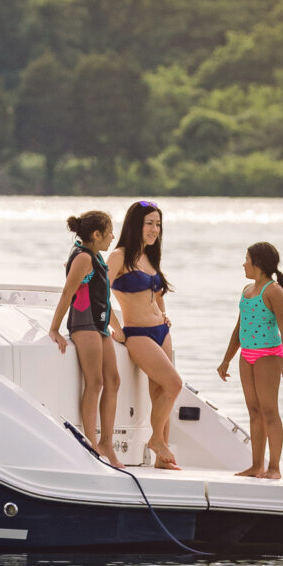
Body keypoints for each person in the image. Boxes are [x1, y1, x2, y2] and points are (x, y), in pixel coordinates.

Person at [110, 200, 183, 470]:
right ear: (135, 225)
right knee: (174, 384)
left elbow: (157, 293)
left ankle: (161, 459)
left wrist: (163, 314)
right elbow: (99, 292)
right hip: (138, 333)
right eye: (149, 223)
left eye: (158, 224)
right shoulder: (119, 256)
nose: (155, 230)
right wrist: (117, 328)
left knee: (160, 391)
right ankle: (156, 440)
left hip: (162, 331)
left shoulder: (149, 256)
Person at [216, 241, 283, 480]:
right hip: (246, 355)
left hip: (268, 356)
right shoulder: (247, 290)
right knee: (253, 410)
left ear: (258, 264)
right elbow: (239, 327)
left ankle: (274, 468)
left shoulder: (274, 291)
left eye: (247, 260)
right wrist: (226, 360)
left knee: (269, 411)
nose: (244, 264)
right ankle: (256, 465)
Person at [48, 210, 121, 464]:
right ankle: (92, 444)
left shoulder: (95, 256)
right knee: (95, 382)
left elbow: (104, 298)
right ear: (96, 234)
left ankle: (107, 442)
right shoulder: (83, 258)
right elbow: (67, 292)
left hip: (99, 326)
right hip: (84, 324)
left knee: (113, 380)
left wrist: (118, 329)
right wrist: (54, 329)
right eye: (109, 232)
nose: (113, 237)